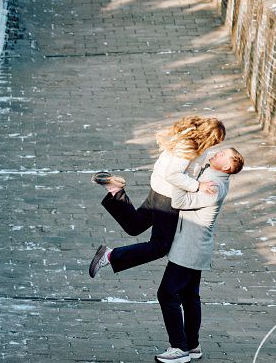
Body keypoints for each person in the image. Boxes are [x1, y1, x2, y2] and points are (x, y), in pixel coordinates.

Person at [88, 115, 225, 278]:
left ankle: (115, 191)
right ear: (209, 136)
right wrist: (198, 186)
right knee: (160, 246)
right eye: (215, 142)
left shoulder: (189, 135)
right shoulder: (190, 146)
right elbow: (173, 174)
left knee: (134, 226)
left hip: (159, 189)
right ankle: (109, 256)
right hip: (168, 198)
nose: (214, 145)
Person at [154, 145, 245, 363]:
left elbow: (180, 202)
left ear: (227, 166)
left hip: (190, 248)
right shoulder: (211, 173)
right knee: (189, 296)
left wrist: (182, 178)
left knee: (166, 294)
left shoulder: (213, 185)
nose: (218, 152)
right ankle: (192, 345)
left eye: (223, 154)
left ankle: (179, 347)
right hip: (194, 247)